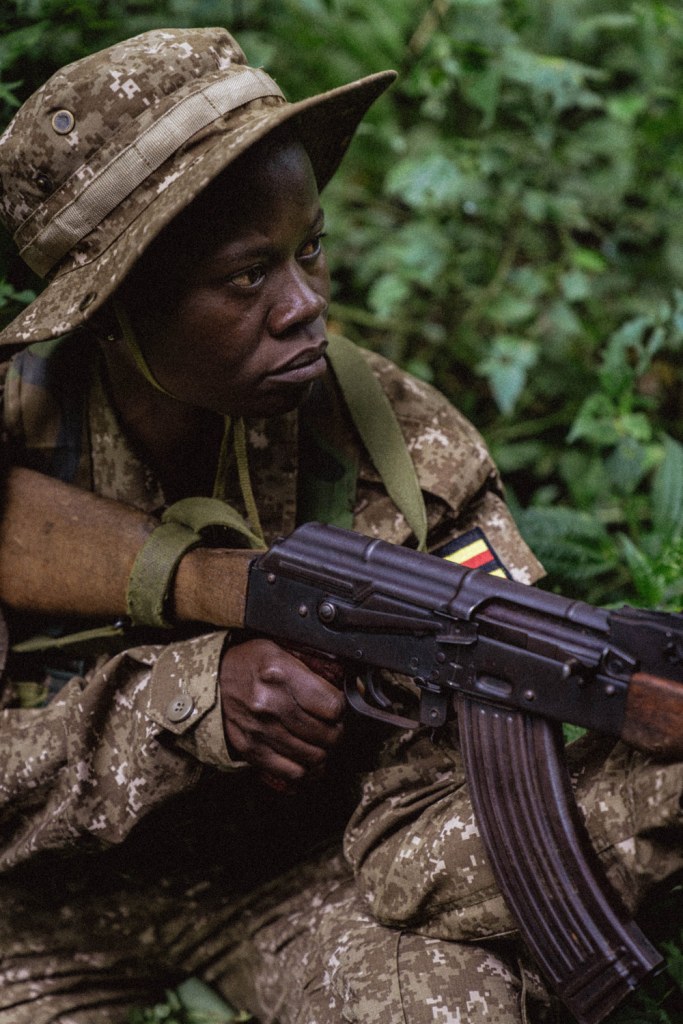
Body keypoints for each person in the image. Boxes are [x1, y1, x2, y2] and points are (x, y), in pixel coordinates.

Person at [0, 25, 680, 1024]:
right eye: (248, 277)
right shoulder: (20, 452)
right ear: (115, 303)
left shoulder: (398, 449)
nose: (306, 305)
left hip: (299, 880)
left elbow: (426, 826)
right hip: (33, 913)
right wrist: (190, 706)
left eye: (308, 249)